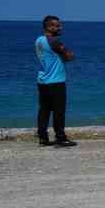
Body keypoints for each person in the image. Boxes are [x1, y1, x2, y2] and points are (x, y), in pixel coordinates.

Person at [34, 15, 76, 147]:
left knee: (44, 110)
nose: (60, 27)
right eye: (57, 25)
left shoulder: (39, 40)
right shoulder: (54, 41)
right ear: (49, 27)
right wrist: (68, 54)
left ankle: (42, 137)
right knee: (59, 110)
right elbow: (69, 56)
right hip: (56, 80)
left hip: (43, 79)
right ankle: (60, 137)